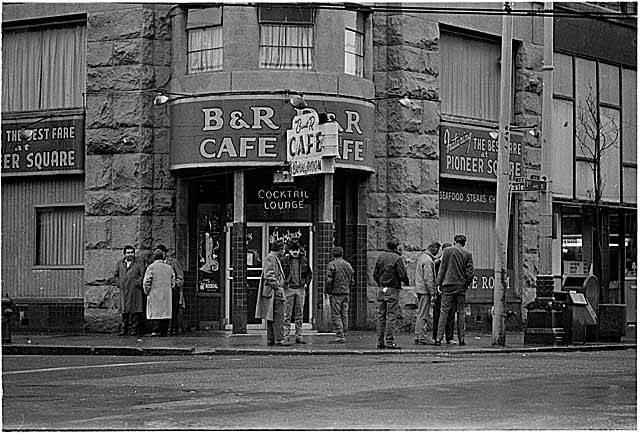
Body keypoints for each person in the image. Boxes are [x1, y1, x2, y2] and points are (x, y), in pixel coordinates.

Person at [435, 234, 474, 346]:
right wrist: (466, 283)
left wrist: (438, 283)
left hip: (448, 284)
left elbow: (442, 268)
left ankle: (438, 338)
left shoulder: (447, 251)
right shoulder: (467, 254)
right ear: (464, 242)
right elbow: (470, 273)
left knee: (444, 311)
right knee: (461, 312)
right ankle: (461, 339)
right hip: (460, 286)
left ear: (454, 241)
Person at [373, 237, 410, 349]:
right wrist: (406, 282)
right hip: (392, 289)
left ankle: (380, 341)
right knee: (391, 316)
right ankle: (389, 341)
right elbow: (402, 274)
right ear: (397, 246)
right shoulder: (397, 258)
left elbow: (375, 274)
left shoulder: (381, 257)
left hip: (382, 288)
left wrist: (380, 283)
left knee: (381, 315)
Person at [255, 240, 291, 346]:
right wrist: (278, 287)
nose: (284, 251)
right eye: (283, 249)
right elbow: (269, 275)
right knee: (278, 315)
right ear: (279, 249)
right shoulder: (271, 258)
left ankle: (271, 339)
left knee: (271, 316)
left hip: (272, 292)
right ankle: (279, 339)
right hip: (273, 293)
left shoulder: (273, 257)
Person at [281, 240, 312, 344]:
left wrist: (306, 283)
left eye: (296, 250)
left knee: (299, 313)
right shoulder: (285, 260)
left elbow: (309, 273)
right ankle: (287, 336)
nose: (295, 252)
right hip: (289, 288)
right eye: (293, 250)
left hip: (299, 288)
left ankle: (298, 335)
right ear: (289, 251)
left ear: (299, 250)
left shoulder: (304, 260)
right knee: (287, 314)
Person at [114, 245, 146, 337]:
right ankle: (124, 328)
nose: (130, 254)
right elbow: (115, 275)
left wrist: (138, 282)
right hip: (124, 290)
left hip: (135, 290)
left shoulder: (138, 263)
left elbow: (142, 274)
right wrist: (119, 283)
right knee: (125, 311)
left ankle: (134, 329)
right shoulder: (120, 263)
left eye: (132, 252)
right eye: (128, 253)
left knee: (135, 310)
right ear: (124, 254)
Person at [143, 249, 175, 337]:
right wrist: (170, 288)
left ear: (154, 257)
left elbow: (146, 281)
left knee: (155, 312)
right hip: (166, 293)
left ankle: (155, 330)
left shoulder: (151, 267)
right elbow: (173, 280)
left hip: (154, 292)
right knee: (165, 312)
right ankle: (164, 330)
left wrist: (147, 291)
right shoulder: (169, 267)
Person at [154, 244, 185, 335]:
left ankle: (173, 328)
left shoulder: (173, 262)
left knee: (173, 309)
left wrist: (174, 284)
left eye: (161, 252)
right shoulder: (155, 263)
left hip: (171, 290)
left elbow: (180, 277)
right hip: (159, 291)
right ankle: (160, 329)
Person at [326, 246, 354, 344]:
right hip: (346, 292)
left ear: (333, 254)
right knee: (344, 314)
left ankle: (339, 335)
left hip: (336, 293)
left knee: (336, 315)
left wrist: (328, 291)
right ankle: (344, 333)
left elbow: (329, 280)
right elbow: (352, 280)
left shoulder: (332, 265)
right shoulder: (348, 265)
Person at [414, 241, 440, 345]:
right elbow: (428, 278)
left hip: (420, 289)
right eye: (437, 250)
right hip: (425, 291)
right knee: (424, 314)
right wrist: (433, 292)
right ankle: (422, 337)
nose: (437, 252)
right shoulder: (428, 261)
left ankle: (417, 335)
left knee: (420, 313)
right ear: (433, 248)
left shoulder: (422, 257)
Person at [433, 242, 456, 343]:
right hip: (441, 290)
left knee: (450, 314)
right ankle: (437, 336)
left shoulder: (453, 262)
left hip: (449, 290)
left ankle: (448, 337)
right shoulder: (438, 262)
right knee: (439, 314)